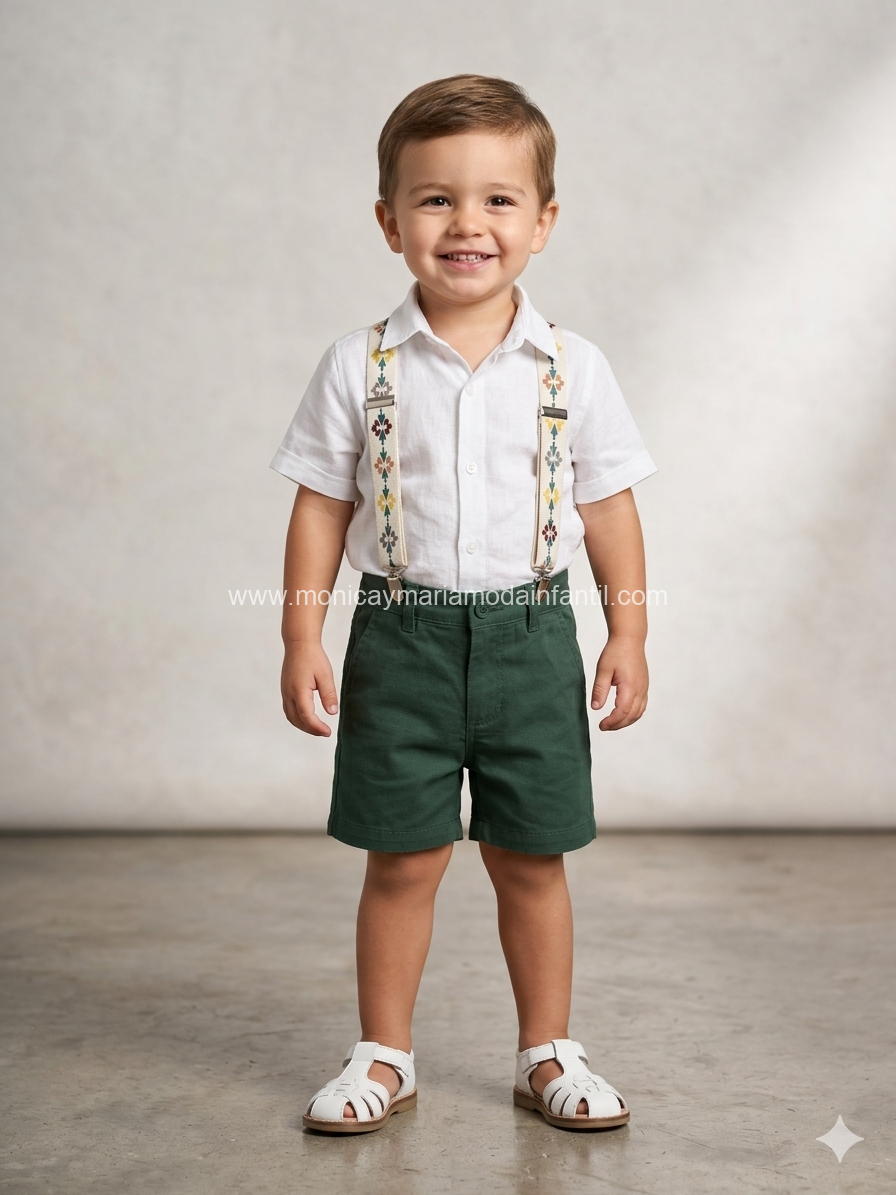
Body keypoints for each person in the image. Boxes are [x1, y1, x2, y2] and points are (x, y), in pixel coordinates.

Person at [271, 75, 656, 1134]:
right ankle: (383, 1052)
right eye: (435, 199)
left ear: (543, 221)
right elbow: (321, 505)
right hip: (400, 640)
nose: (466, 223)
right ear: (389, 220)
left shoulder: (574, 367)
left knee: (532, 857)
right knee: (401, 858)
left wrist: (627, 627)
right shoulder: (358, 364)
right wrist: (302, 631)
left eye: (497, 199)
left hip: (534, 637)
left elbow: (608, 507)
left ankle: (547, 1049)